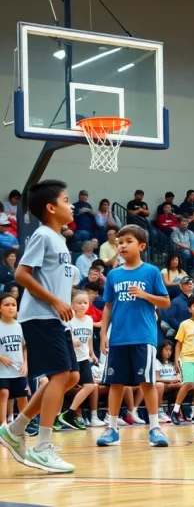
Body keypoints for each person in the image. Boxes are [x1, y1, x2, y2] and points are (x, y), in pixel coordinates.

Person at [0, 180, 80, 473]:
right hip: (40, 316)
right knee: (59, 375)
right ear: (51, 207)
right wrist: (55, 301)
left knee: (70, 377)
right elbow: (21, 274)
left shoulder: (60, 239)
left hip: (56, 318)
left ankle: (16, 428)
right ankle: (43, 447)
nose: (71, 205)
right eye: (67, 200)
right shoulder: (43, 235)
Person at [95, 225, 170, 449]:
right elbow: (108, 306)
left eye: (128, 241)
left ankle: (155, 428)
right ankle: (112, 429)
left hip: (143, 336)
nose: (122, 245)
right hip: (118, 337)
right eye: (119, 242)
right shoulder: (114, 275)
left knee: (147, 383)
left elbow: (165, 302)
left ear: (141, 245)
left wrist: (145, 295)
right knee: (115, 384)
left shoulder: (151, 272)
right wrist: (103, 334)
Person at [56, 291, 98, 430]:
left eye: (85, 303)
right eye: (79, 303)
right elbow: (61, 336)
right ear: (72, 305)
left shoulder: (89, 320)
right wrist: (71, 341)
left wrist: (92, 353)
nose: (82, 305)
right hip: (70, 357)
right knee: (62, 387)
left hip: (84, 357)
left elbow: (90, 338)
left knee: (90, 386)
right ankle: (56, 415)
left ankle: (70, 413)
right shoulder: (69, 319)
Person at [170, 295, 194, 425]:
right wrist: (176, 360)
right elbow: (178, 343)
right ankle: (175, 410)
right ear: (189, 309)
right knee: (189, 384)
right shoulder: (184, 324)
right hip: (187, 358)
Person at [0, 293, 28, 430]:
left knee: (22, 397)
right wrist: (1, 357)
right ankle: (3, 423)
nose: (11, 308)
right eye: (6, 305)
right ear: (0, 308)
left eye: (13, 305)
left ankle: (24, 424)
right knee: (3, 393)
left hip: (18, 368)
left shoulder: (20, 326)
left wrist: (25, 363)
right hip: (2, 369)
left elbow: (24, 348)